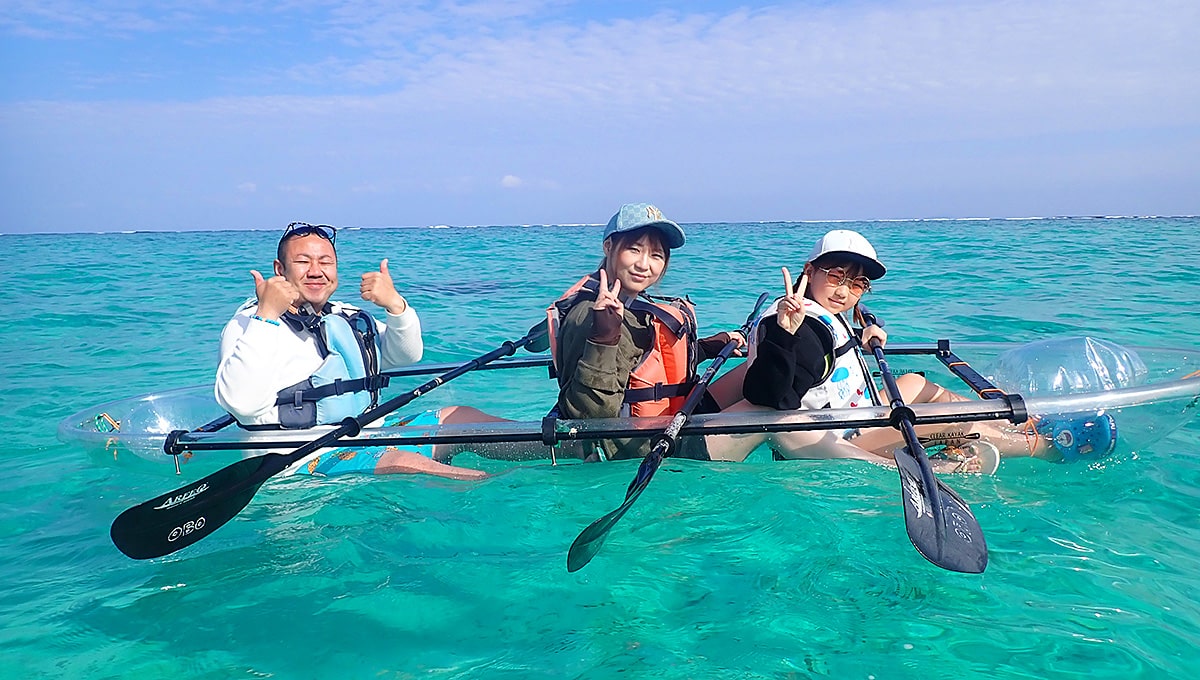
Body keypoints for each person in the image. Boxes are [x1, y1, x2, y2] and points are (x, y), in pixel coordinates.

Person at [708, 229, 1117, 472]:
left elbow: (837, 347)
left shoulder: (827, 315)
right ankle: (1045, 446)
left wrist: (866, 332)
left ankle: (1014, 428)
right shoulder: (805, 323)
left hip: (851, 412)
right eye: (835, 276)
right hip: (837, 437)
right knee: (946, 417)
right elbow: (774, 396)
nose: (844, 291)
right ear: (809, 271)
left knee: (916, 383)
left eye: (856, 285)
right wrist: (785, 334)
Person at [414, 202, 746, 464]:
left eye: (656, 255)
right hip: (635, 448)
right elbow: (590, 417)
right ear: (609, 247)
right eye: (635, 250)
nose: (645, 264)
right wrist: (604, 336)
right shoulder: (591, 314)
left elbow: (642, 362)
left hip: (664, 420)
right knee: (765, 406)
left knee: (751, 372)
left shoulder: (631, 304)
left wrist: (709, 346)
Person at [214, 221, 485, 480]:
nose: (316, 271)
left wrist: (396, 307)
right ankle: (503, 486)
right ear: (280, 269)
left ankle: (528, 449)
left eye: (325, 262)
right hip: (301, 462)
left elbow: (405, 355)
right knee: (404, 461)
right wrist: (268, 314)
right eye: (303, 261)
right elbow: (242, 403)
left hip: (369, 436)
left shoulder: (345, 317)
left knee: (460, 416)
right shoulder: (250, 325)